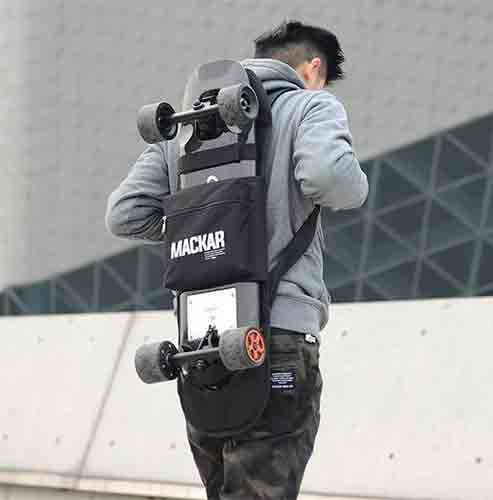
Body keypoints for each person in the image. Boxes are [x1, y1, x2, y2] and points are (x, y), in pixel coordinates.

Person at [106, 19, 368, 500]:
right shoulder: (311, 105)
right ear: (314, 68)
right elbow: (333, 181)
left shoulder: (188, 127)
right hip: (280, 335)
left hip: (199, 346)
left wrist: (201, 226)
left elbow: (125, 215)